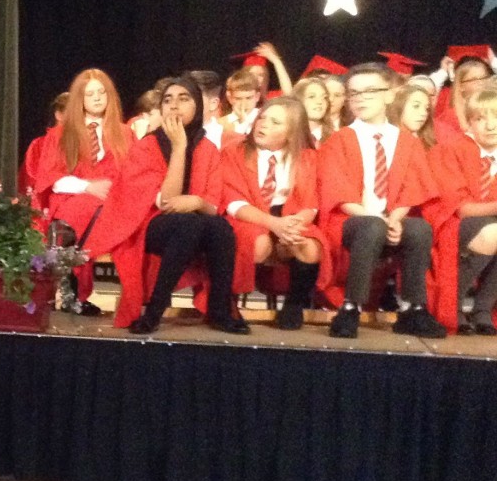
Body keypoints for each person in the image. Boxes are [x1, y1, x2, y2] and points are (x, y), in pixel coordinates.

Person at [108, 76, 247, 334]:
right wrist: (179, 147)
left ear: (197, 107)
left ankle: (220, 312)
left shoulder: (207, 147)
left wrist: (196, 201)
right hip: (149, 224)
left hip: (194, 220)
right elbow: (166, 202)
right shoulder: (147, 145)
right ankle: (154, 312)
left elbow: (213, 205)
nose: (174, 105)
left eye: (184, 99)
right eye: (168, 100)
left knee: (221, 228)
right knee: (189, 224)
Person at [317, 63, 445, 339]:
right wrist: (375, 219)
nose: (360, 98)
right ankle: (350, 307)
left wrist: (395, 219)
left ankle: (413, 309)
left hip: (391, 217)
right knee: (372, 226)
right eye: (354, 93)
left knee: (419, 228)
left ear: (389, 95)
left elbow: (412, 188)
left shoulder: (407, 141)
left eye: (369, 91)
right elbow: (337, 191)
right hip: (351, 219)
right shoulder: (339, 140)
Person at [221, 97, 329, 330]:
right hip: (248, 216)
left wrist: (292, 226)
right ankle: (227, 303)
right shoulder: (235, 152)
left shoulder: (307, 158)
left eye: (275, 122)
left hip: (289, 216)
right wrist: (273, 224)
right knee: (258, 244)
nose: (263, 124)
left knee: (308, 245)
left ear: (291, 134)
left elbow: (311, 204)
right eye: (263, 118)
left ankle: (293, 306)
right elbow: (233, 201)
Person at [34, 69, 133, 315]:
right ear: (80, 99)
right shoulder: (60, 134)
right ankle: (73, 287)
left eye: (102, 92)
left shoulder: (124, 134)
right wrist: (88, 186)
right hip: (72, 197)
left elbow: (133, 174)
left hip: (114, 201)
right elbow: (51, 179)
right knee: (81, 210)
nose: (97, 98)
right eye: (90, 94)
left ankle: (81, 290)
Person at [426, 85, 497, 334]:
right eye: (481, 119)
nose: (491, 125)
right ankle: (453, 304)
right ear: (469, 123)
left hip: (490, 220)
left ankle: (483, 309)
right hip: (451, 221)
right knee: (492, 233)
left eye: (496, 117)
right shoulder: (450, 150)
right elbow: (461, 208)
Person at [18, 92, 69, 230]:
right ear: (59, 115)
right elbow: (31, 184)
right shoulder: (40, 146)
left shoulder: (85, 145)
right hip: (48, 217)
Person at [388, 84, 437, 150]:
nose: (424, 113)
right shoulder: (385, 140)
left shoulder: (429, 141)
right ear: (400, 106)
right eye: (416, 106)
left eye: (427, 109)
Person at [187, 70, 226, 149]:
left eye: (195, 98)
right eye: (183, 98)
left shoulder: (225, 142)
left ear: (213, 104)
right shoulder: (170, 136)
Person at [291, 77, 334, 145]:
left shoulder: (335, 139)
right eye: (312, 97)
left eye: (324, 97)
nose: (319, 102)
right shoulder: (286, 137)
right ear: (298, 100)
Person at [220, 69, 262, 137]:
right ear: (230, 98)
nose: (243, 104)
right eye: (238, 99)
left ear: (257, 97)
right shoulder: (220, 125)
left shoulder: (263, 120)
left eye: (248, 98)